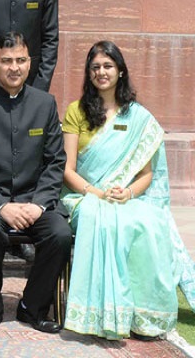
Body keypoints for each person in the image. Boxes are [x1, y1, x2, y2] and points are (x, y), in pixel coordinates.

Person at [60, 41, 195, 340]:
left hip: (125, 198)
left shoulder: (138, 117)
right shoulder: (76, 111)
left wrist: (128, 194)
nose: (101, 72)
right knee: (103, 221)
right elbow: (67, 170)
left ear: (120, 70)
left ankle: (141, 316)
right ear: (88, 73)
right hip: (84, 196)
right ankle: (101, 314)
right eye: (95, 67)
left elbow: (146, 175)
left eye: (107, 66)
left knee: (148, 223)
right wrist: (96, 194)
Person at [0, 31, 71, 334]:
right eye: (7, 61)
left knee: (60, 233)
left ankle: (32, 307)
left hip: (35, 199)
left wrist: (38, 204)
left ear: (29, 63)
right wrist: (1, 205)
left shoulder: (45, 103)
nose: (14, 67)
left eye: (20, 60)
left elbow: (55, 161)